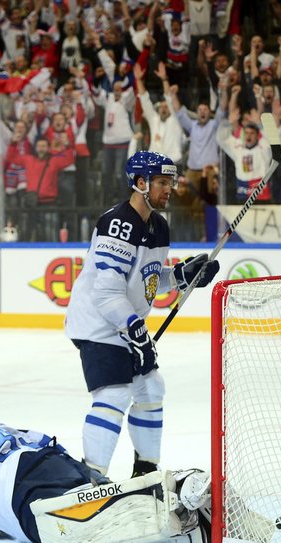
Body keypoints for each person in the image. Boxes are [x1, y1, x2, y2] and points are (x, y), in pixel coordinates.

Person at [0, 393, 214, 543]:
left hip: (21, 488)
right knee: (111, 523)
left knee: (76, 532)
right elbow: (47, 443)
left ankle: (182, 480)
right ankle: (187, 527)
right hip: (55, 462)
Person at [64, 151, 220, 478]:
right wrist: (135, 329)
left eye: (171, 182)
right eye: (162, 182)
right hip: (98, 325)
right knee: (115, 393)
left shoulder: (159, 227)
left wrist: (179, 276)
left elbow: (146, 279)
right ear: (140, 183)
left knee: (151, 388)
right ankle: (91, 478)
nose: (170, 189)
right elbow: (107, 292)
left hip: (123, 325)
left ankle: (145, 473)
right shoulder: (118, 224)